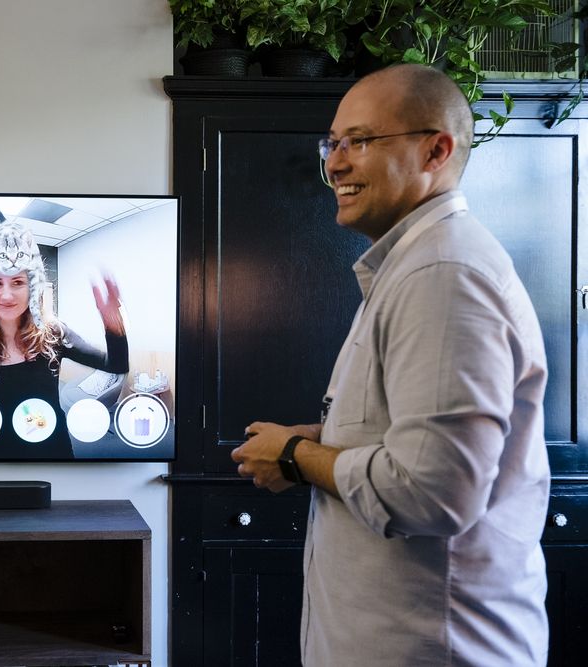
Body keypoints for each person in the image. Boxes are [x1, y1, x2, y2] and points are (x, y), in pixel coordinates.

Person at [230, 64, 550, 666]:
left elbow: (435, 492)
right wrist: (328, 438)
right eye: (333, 144)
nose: (335, 164)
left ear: (436, 149)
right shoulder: (418, 265)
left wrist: (297, 458)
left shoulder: (443, 276)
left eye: (360, 141)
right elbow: (425, 444)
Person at [0, 220, 128, 459]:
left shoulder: (53, 333)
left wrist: (113, 323)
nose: (6, 294)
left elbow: (116, 365)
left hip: (52, 454)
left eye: (17, 282)